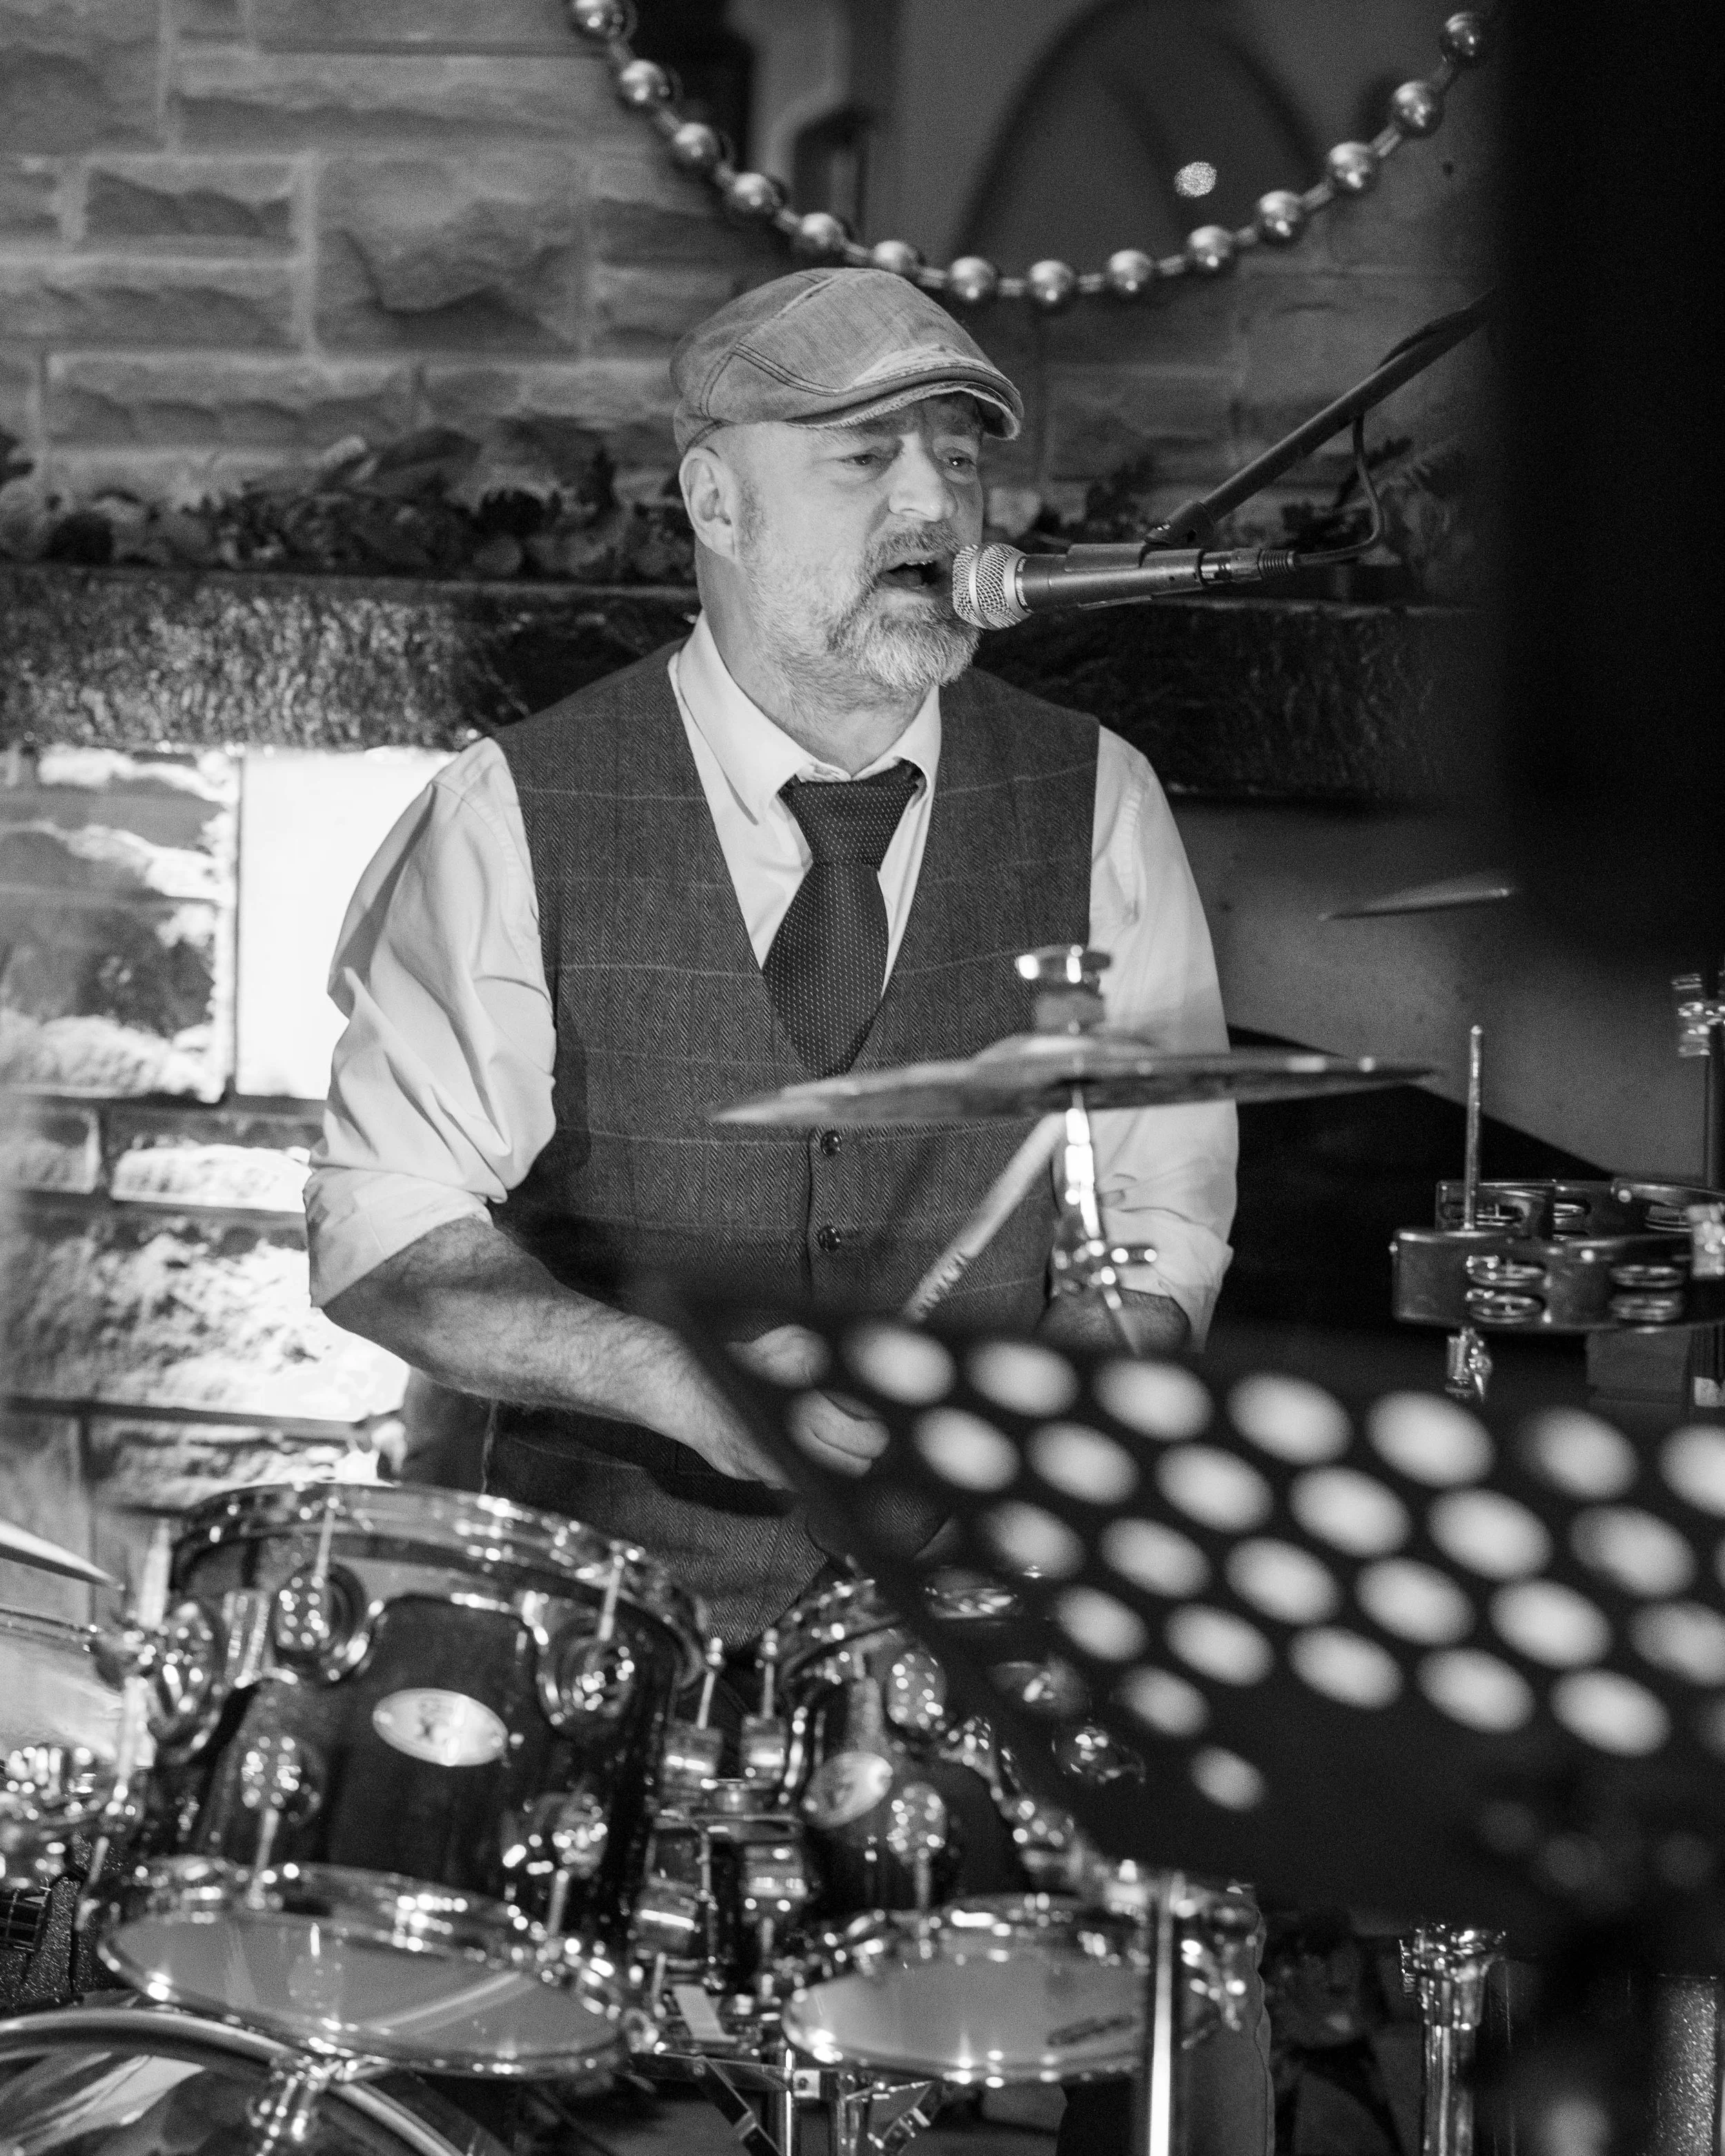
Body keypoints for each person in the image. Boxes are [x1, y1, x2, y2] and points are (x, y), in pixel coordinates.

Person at [306, 266, 1263, 2152]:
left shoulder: (1095, 799)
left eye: (957, 455)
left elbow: (1157, 1224)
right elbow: (385, 1231)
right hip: (588, 1686)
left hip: (956, 1677)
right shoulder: (514, 808)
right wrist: (689, 1388)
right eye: (862, 456)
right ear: (716, 499)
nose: (930, 507)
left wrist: (1053, 1422)